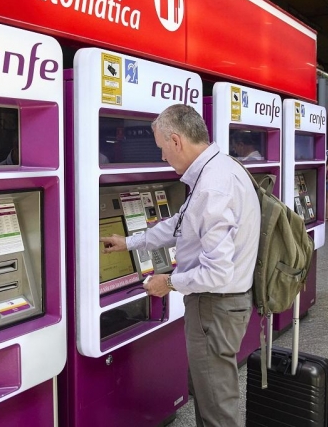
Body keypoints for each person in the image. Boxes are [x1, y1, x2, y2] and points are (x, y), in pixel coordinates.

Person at [100, 104, 260, 427]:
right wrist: (130, 242)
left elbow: (217, 271)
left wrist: (169, 283)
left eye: (162, 149)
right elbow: (180, 224)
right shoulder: (219, 170)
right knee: (208, 393)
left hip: (215, 307)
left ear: (176, 141)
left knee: (217, 406)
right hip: (220, 306)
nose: (162, 158)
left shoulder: (214, 186)